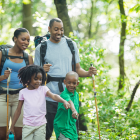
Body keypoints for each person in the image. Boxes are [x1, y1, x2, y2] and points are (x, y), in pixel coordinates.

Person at [34, 18, 97, 140]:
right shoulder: (41, 48)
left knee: (69, 132)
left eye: (61, 29)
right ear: (49, 29)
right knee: (46, 133)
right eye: (56, 29)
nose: (59, 32)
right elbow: (35, 77)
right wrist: (41, 69)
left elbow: (77, 69)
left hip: (69, 97)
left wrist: (89, 73)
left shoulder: (71, 45)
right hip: (49, 97)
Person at [7, 64, 70, 140]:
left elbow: (53, 96)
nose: (39, 81)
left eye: (40, 79)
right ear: (28, 79)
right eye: (36, 79)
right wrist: (12, 126)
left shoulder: (43, 89)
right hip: (27, 125)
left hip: (41, 125)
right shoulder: (23, 92)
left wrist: (64, 101)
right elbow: (18, 110)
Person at [0, 28, 33, 140]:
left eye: (28, 40)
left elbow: (31, 82)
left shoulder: (28, 58)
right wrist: (3, 77)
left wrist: (42, 72)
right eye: (23, 39)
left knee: (19, 134)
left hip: (21, 98)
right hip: (3, 96)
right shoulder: (2, 55)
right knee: (2, 134)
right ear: (15, 39)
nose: (26, 43)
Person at [54, 71, 79, 140]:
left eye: (74, 83)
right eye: (69, 83)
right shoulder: (64, 94)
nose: (71, 85)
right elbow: (70, 102)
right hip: (62, 127)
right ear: (64, 82)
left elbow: (76, 109)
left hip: (72, 128)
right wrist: (74, 111)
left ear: (77, 83)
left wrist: (76, 114)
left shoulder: (76, 95)